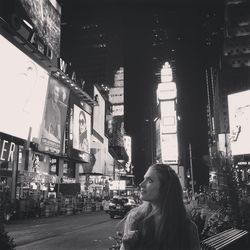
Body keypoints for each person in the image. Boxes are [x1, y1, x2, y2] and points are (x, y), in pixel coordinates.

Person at [120, 164, 200, 250]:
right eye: (144, 179)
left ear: (165, 188)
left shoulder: (187, 228)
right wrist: (126, 246)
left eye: (149, 180)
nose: (141, 184)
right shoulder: (135, 219)